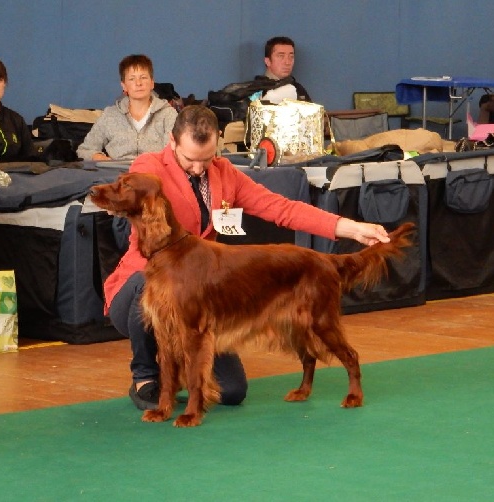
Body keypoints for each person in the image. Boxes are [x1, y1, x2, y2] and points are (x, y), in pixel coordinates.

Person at [106, 105, 390, 411]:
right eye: (191, 160)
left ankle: (181, 372)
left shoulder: (224, 174)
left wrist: (350, 228)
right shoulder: (149, 169)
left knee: (233, 392)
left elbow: (281, 208)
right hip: (143, 284)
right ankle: (146, 377)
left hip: (199, 294)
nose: (200, 168)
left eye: (207, 158)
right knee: (147, 288)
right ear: (172, 143)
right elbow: (125, 201)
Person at [77, 54, 177, 161]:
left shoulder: (168, 114)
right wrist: (103, 159)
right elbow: (85, 150)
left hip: (154, 174)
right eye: (132, 79)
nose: (138, 83)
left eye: (143, 77)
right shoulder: (110, 115)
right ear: (124, 86)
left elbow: (173, 154)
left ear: (152, 83)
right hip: (116, 174)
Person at [255, 36, 311, 102]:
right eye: (281, 56)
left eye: (291, 56)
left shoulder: (298, 90)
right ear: (268, 61)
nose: (287, 62)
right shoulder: (255, 91)